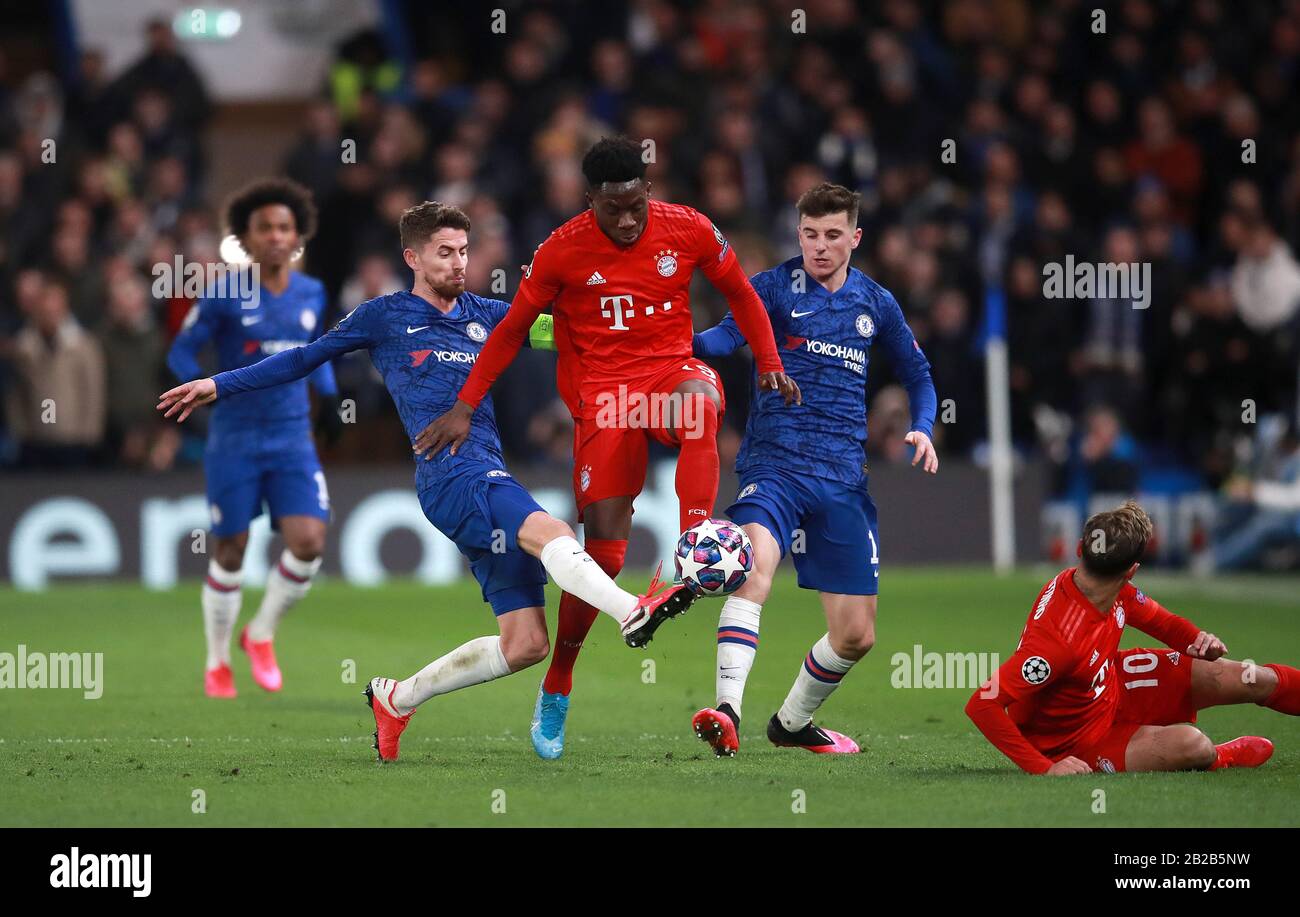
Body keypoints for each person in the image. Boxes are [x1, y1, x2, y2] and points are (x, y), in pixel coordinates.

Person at [157, 201, 693, 762]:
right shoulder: (382, 316)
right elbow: (301, 360)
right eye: (444, 252)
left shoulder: (490, 314)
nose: (458, 262)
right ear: (413, 257)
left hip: (488, 469)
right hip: (450, 474)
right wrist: (219, 384)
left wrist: (656, 327)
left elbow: (571, 334)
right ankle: (631, 609)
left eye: (463, 251)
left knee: (527, 644)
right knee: (552, 528)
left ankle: (398, 698)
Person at [414, 135, 800, 759]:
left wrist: (769, 360)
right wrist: (464, 403)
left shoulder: (689, 229)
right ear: (587, 197)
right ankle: (559, 678)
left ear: (648, 191)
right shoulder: (560, 251)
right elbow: (513, 328)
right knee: (607, 558)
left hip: (669, 373)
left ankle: (695, 537)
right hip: (605, 402)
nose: (625, 220)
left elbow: (743, 296)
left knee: (702, 401)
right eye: (609, 208)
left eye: (633, 206)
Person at [690, 182, 938, 755]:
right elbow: (724, 341)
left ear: (855, 237)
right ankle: (726, 709)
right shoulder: (772, 289)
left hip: (842, 479)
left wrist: (922, 424)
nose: (819, 247)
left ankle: (791, 724)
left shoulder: (875, 303)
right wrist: (669, 335)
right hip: (773, 467)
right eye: (809, 235)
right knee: (753, 570)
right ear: (797, 233)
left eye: (832, 235)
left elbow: (918, 373)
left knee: (856, 635)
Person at [965, 500, 1300, 774]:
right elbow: (983, 704)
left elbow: (1162, 622)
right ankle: (1220, 757)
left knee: (1252, 677)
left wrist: (1197, 640)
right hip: (1072, 739)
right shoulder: (1057, 642)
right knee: (1193, 745)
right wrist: (1043, 767)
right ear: (1132, 570)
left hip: (1111, 683)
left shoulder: (1112, 590)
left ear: (1081, 549)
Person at [167, 178, 342, 699]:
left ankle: (260, 634)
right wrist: (198, 396)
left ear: (297, 237)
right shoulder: (223, 293)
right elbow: (181, 351)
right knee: (231, 548)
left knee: (309, 541)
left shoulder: (312, 293)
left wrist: (330, 398)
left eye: (284, 227)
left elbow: (313, 355)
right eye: (264, 227)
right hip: (235, 438)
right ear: (244, 238)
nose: (275, 236)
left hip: (291, 436)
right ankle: (217, 660)